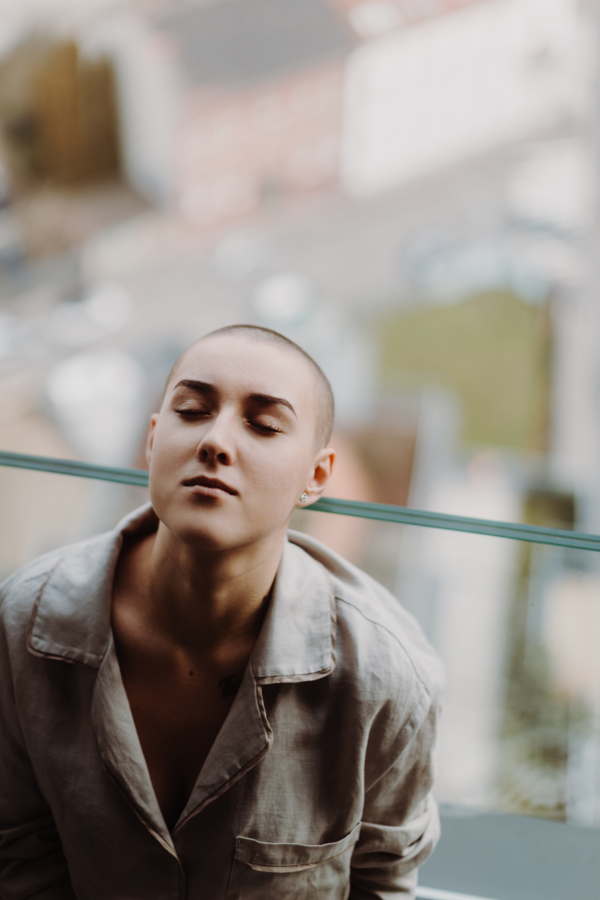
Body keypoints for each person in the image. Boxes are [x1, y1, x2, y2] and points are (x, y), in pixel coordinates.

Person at [0, 324, 443, 899]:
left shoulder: (388, 677)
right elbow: (18, 860)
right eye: (191, 410)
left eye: (263, 424)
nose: (216, 440)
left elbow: (382, 884)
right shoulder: (25, 623)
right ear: (154, 439)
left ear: (317, 476)